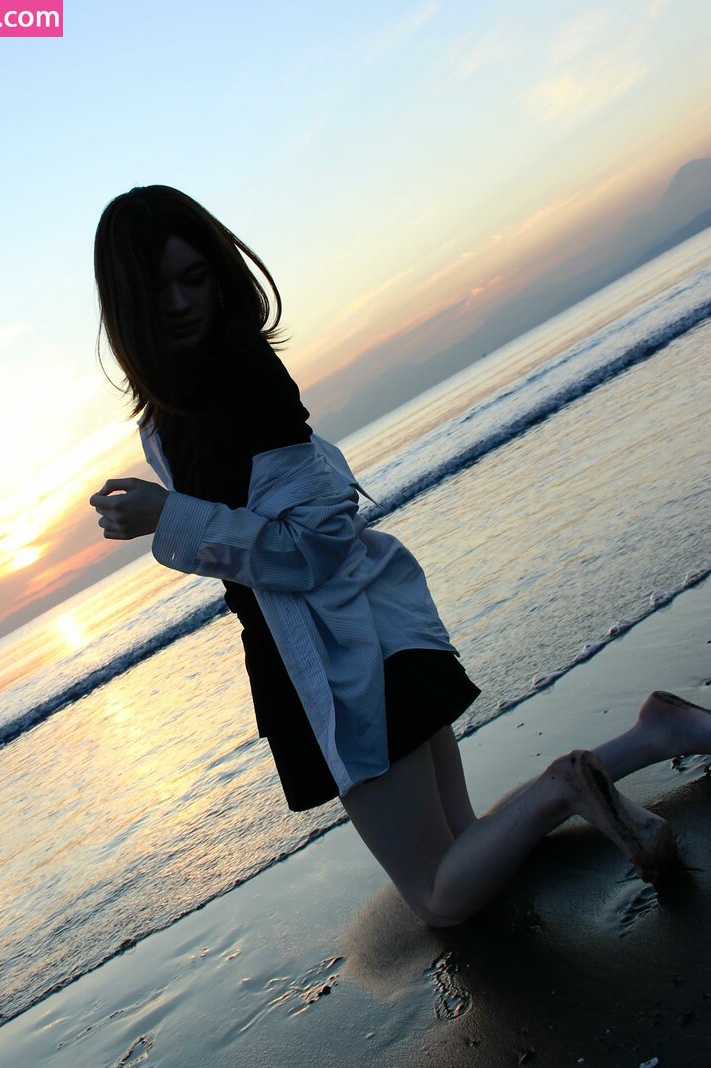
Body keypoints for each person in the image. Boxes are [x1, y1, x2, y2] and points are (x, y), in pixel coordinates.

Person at [90, 185, 711, 928]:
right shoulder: (177, 407)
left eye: (193, 278)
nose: (180, 303)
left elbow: (313, 547)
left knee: (440, 897)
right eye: (157, 290)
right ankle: (655, 732)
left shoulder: (241, 382)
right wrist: (173, 516)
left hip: (341, 652)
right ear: (127, 305)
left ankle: (568, 783)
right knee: (472, 850)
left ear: (220, 275)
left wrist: (169, 516)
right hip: (357, 634)